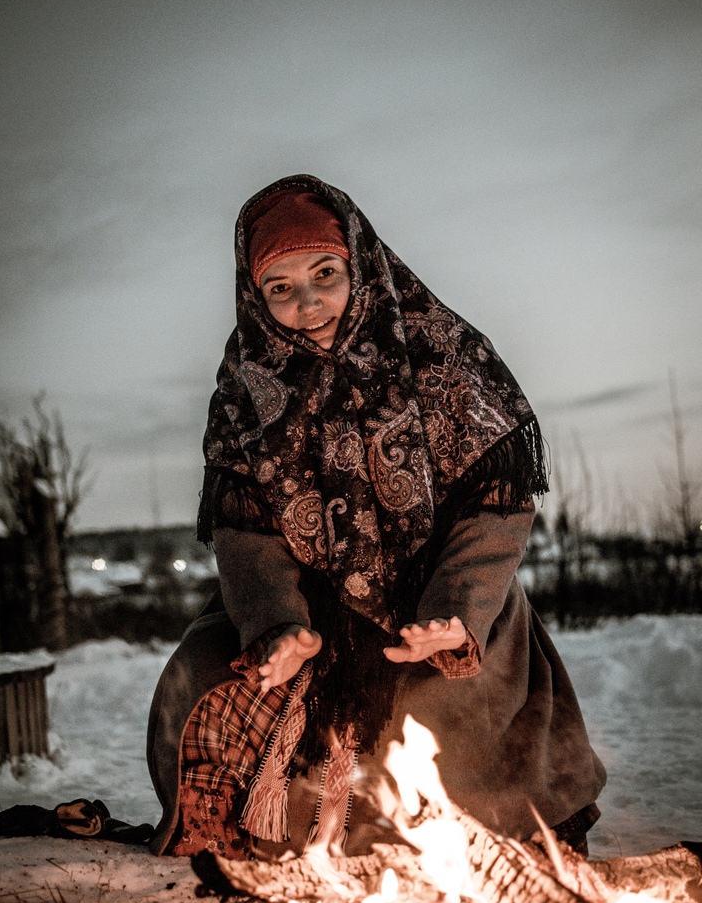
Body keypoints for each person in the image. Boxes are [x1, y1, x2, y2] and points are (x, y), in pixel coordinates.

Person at [147, 175, 605, 860]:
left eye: (325, 274)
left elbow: (496, 508)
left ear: (359, 263)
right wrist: (278, 624)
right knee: (204, 679)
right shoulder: (248, 383)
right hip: (307, 606)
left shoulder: (442, 351)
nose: (307, 303)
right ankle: (276, 834)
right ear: (254, 296)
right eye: (280, 287)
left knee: (445, 713)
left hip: (441, 595)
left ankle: (475, 835)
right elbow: (247, 532)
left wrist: (455, 616)